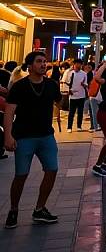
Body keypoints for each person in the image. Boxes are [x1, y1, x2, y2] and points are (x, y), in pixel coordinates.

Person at [4, 51, 62, 229]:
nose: (43, 65)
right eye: (39, 62)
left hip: (46, 136)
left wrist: (57, 116)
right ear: (29, 66)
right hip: (24, 137)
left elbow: (58, 102)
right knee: (21, 175)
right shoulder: (19, 86)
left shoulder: (52, 85)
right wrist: (8, 135)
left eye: (45, 62)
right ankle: (13, 209)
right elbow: (9, 112)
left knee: (52, 170)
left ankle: (40, 208)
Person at [63, 59, 88, 132]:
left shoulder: (84, 74)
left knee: (80, 112)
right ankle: (69, 127)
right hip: (73, 95)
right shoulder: (70, 73)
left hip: (81, 95)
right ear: (74, 64)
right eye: (77, 64)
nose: (78, 65)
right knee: (71, 112)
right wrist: (68, 90)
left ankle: (79, 126)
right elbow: (67, 82)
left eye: (80, 64)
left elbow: (86, 84)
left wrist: (84, 85)